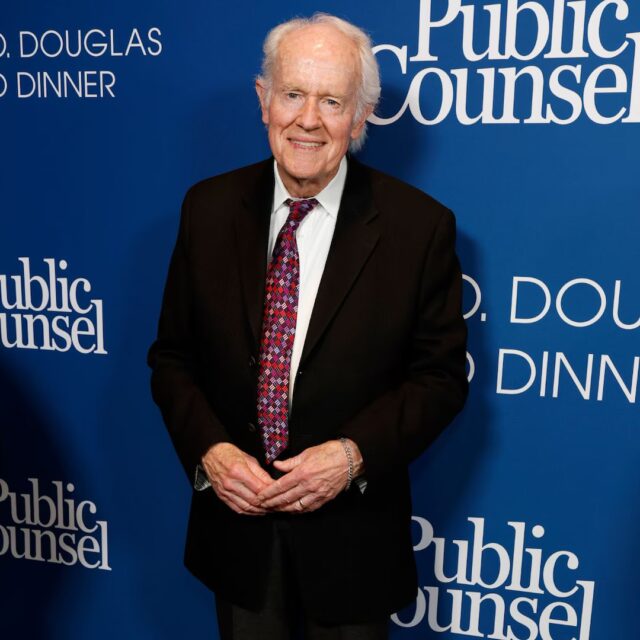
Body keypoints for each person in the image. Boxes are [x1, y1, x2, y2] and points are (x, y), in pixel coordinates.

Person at [148, 12, 468, 640]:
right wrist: (210, 452)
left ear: (361, 117)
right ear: (263, 99)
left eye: (332, 101)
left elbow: (440, 381)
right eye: (293, 94)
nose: (308, 120)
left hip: (352, 545)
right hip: (238, 534)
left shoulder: (419, 227)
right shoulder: (207, 209)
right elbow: (172, 359)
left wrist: (352, 457)